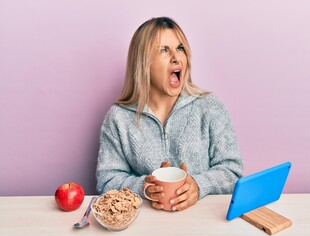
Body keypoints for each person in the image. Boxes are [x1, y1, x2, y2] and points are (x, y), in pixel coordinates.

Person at [96, 17, 243, 211]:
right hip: (146, 226)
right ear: (143, 63)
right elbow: (107, 180)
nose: (176, 57)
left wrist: (199, 186)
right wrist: (145, 187)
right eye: (164, 50)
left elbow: (233, 171)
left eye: (180, 48)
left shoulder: (210, 107)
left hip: (203, 222)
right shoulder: (118, 118)